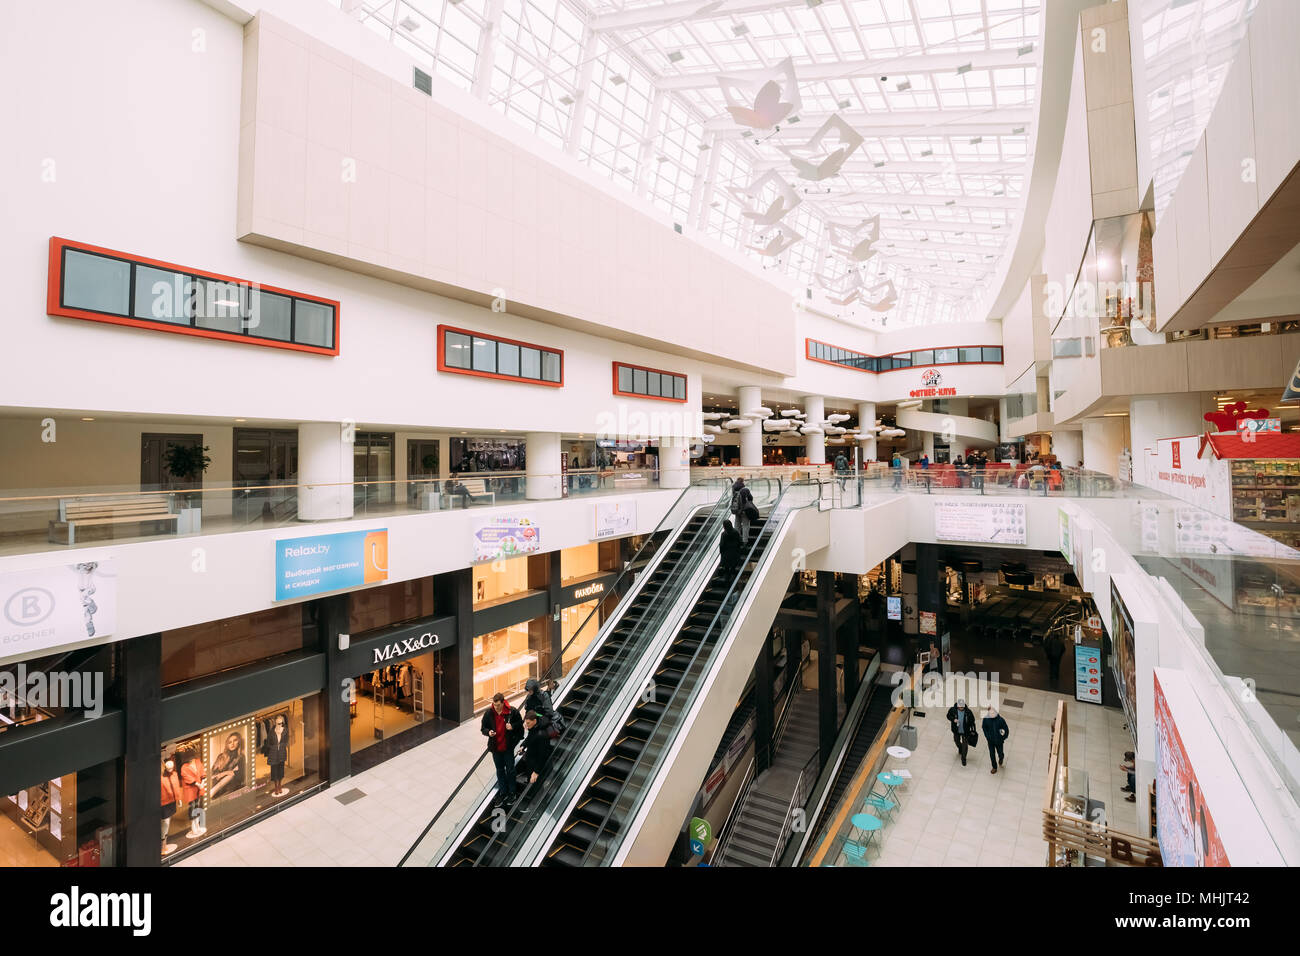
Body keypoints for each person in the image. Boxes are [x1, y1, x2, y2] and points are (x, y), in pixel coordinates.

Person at [481, 692, 524, 806]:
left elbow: (520, 724)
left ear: (503, 703)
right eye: (494, 705)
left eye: (498, 705)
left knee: (510, 770)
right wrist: (488, 732)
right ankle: (503, 792)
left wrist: (512, 727)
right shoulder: (489, 713)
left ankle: (512, 793)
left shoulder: (512, 712)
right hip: (496, 749)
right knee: (499, 770)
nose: (496, 708)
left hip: (508, 748)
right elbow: (483, 728)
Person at [520, 710, 554, 786]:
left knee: (536, 785)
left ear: (534, 721)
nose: (526, 725)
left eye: (528, 723)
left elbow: (543, 755)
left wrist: (536, 772)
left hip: (535, 765)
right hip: (531, 761)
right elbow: (529, 738)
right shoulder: (534, 729)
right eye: (526, 722)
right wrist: (523, 745)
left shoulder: (541, 735)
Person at [946, 699, 976, 766]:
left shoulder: (968, 712)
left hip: (965, 732)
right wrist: (953, 719)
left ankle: (963, 758)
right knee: (956, 741)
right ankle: (960, 747)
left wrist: (973, 730)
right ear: (957, 706)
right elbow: (948, 716)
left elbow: (972, 721)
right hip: (956, 731)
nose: (961, 708)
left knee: (965, 745)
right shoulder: (953, 710)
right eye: (960, 707)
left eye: (962, 707)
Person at [982, 705, 1009, 774]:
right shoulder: (986, 719)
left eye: (993, 713)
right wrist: (987, 736)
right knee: (992, 754)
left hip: (999, 741)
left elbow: (1006, 730)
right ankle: (994, 767)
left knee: (1000, 753)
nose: (992, 714)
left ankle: (1001, 758)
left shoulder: (1001, 720)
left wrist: (1003, 737)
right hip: (991, 741)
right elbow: (984, 728)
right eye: (991, 713)